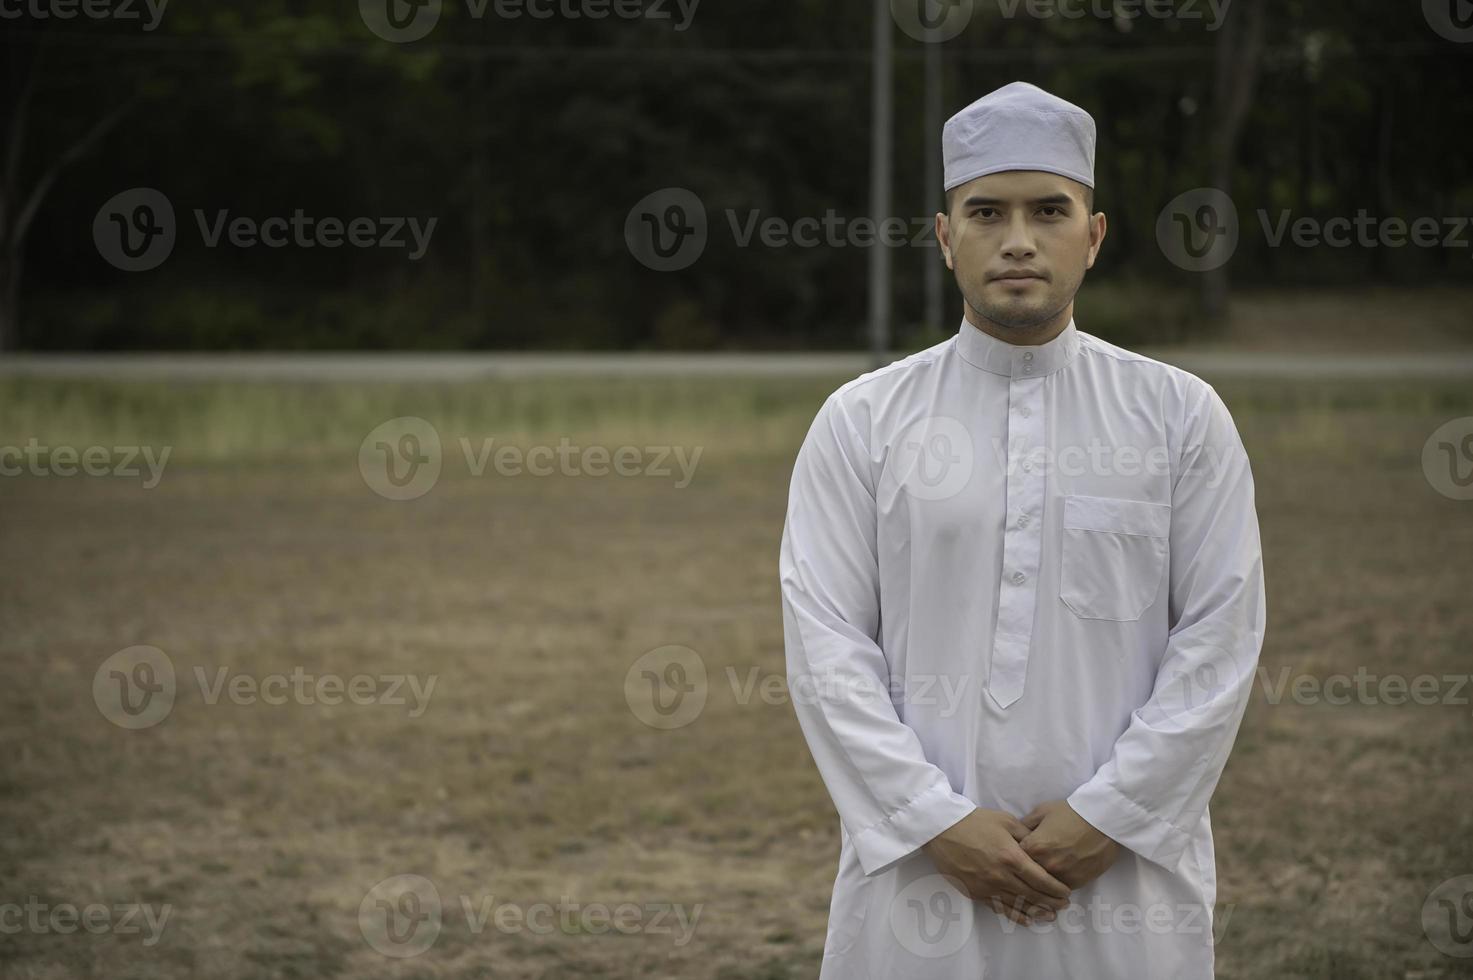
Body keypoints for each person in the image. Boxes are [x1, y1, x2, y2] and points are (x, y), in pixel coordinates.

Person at [778, 80, 1266, 978]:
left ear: (1093, 234)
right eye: (985, 211)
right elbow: (826, 649)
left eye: (1048, 210)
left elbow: (1220, 638)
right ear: (942, 236)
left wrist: (1111, 815)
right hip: (919, 884)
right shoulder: (863, 421)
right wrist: (933, 822)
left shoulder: (1177, 416)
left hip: (1122, 888)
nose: (1016, 240)